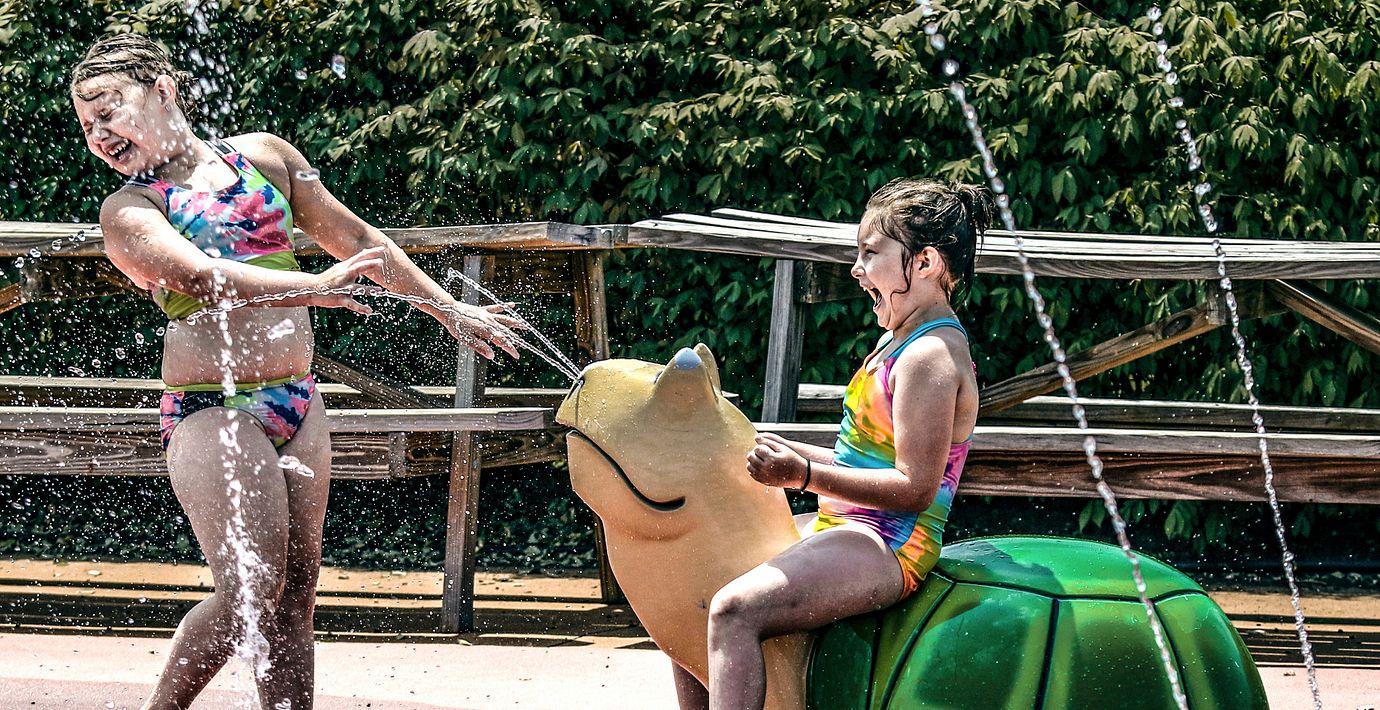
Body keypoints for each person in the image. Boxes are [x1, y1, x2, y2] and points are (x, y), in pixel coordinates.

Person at [70, 33, 521, 710]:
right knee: (248, 592)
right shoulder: (131, 210)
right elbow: (204, 277)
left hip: (297, 403)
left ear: (163, 89)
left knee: (294, 595)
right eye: (87, 126)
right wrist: (313, 288)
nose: (100, 134)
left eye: (109, 111)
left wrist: (449, 308)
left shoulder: (266, 158)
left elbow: (358, 240)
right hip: (212, 410)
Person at [676, 179, 991, 710]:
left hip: (889, 544)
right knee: (695, 590)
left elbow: (915, 487)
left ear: (926, 262)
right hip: (846, 527)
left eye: (871, 254)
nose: (856, 269)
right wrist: (783, 449)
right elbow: (861, 461)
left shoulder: (930, 357)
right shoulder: (897, 341)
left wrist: (801, 475)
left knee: (734, 610)